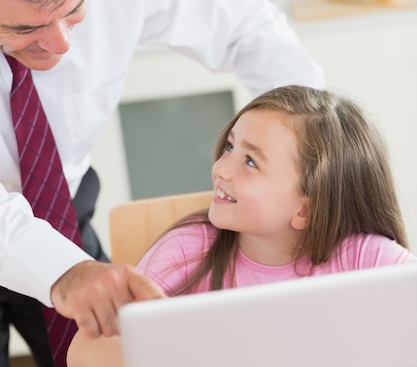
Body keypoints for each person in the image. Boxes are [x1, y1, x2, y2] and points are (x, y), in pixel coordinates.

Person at [0, 0, 324, 366]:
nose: (62, 43)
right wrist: (60, 271)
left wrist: (308, 160)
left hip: (62, 213)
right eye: (28, 27)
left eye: (75, 10)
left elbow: (250, 31)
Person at [67, 84, 417, 367]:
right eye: (230, 146)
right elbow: (85, 351)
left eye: (250, 161)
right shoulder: (188, 249)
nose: (220, 167)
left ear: (305, 210)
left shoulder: (365, 260)